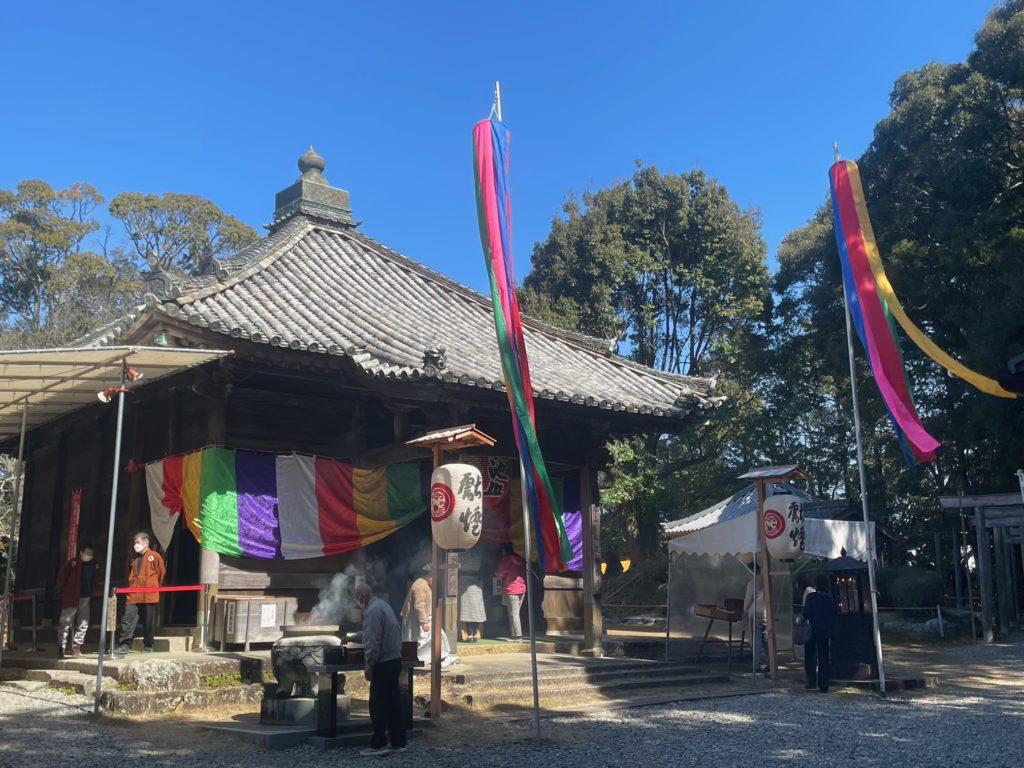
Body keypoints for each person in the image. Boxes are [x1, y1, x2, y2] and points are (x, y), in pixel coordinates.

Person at [349, 582, 406, 756]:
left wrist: (369, 665)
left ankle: (378, 744)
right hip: (395, 658)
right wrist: (351, 638)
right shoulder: (382, 605)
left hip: (383, 662)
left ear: (362, 596)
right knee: (393, 704)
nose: (357, 601)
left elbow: (372, 641)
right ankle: (398, 742)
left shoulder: (372, 611)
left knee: (378, 704)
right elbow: (370, 633)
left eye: (357, 598)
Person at [116, 532, 165, 653]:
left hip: (149, 594)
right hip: (133, 593)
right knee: (127, 620)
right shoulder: (133, 557)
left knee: (149, 621)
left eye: (138, 542)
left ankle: (148, 645)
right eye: (135, 542)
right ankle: (124, 644)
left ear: (146, 543)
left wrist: (153, 586)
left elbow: (161, 573)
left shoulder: (155, 556)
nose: (135, 545)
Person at [401, 564, 455, 666]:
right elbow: (419, 605)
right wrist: (424, 622)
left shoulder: (424, 584)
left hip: (423, 618)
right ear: (430, 575)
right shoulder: (420, 585)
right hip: (416, 619)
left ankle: (441, 656)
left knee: (439, 635)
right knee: (417, 641)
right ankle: (417, 660)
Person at [55, 544, 98, 657]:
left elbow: (95, 578)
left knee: (83, 621)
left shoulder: (94, 565)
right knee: (66, 621)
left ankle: (76, 646)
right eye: (87, 553)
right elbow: (61, 578)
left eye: (91, 554)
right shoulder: (72, 563)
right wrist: (63, 591)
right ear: (81, 552)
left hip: (86, 596)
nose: (89, 556)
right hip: (72, 595)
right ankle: (62, 646)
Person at [802, 573, 837, 692]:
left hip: (812, 628)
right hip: (825, 629)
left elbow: (806, 613)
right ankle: (824, 684)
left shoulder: (811, 597)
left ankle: (811, 681)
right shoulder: (830, 598)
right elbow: (833, 614)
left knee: (810, 656)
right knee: (824, 657)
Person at [494, 543, 526, 642]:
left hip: (511, 589)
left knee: (513, 614)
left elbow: (500, 573)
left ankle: (518, 636)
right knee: (515, 613)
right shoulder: (520, 559)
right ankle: (514, 635)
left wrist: (495, 573)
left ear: (504, 551)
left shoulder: (506, 560)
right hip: (522, 589)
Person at [458, 549, 486, 642]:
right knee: (475, 611)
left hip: (464, 582)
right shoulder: (478, 555)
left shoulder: (461, 555)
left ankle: (470, 635)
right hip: (476, 582)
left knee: (467, 610)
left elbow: (457, 567)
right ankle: (473, 634)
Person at [744, 566, 766, 671]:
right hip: (766, 613)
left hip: (755, 613)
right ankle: (771, 664)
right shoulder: (766, 580)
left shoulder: (752, 583)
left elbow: (748, 600)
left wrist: (745, 610)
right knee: (767, 641)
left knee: (756, 640)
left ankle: (756, 665)